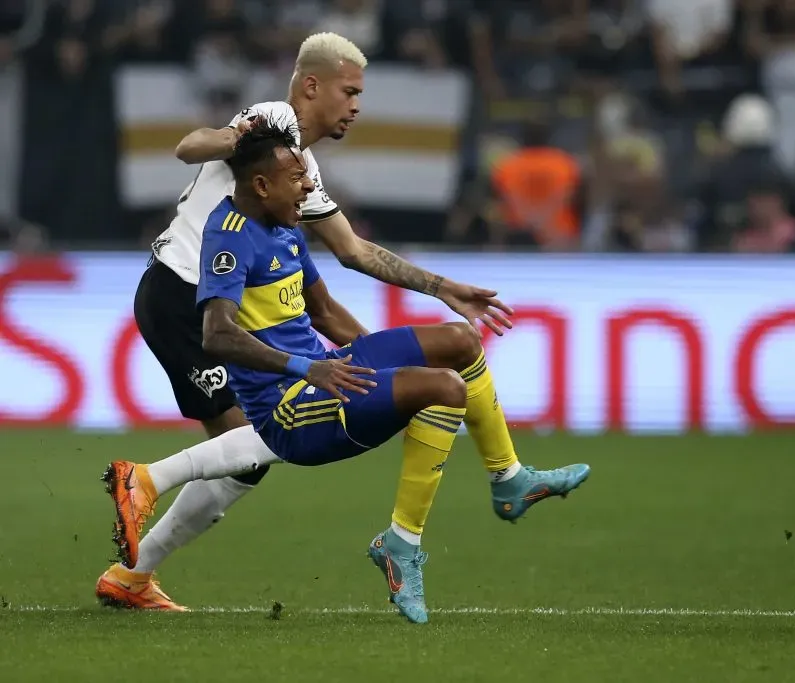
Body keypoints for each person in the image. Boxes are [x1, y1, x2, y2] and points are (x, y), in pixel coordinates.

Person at [96, 34, 590, 613]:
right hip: (183, 297)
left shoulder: (297, 176)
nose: (357, 106)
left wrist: (440, 290)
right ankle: (138, 535)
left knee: (252, 458)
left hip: (221, 301)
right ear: (312, 87)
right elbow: (189, 147)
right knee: (253, 447)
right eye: (349, 91)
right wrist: (230, 138)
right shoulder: (273, 123)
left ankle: (132, 571)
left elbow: (354, 251)